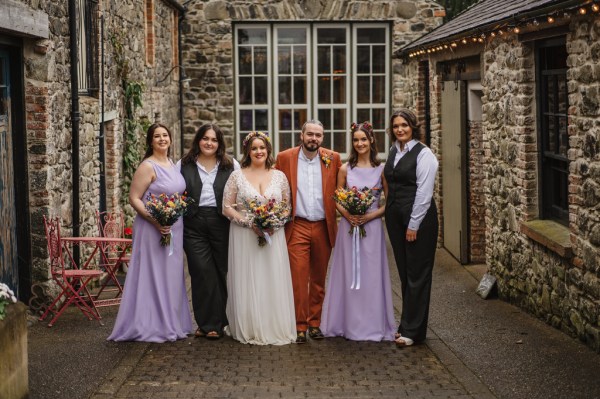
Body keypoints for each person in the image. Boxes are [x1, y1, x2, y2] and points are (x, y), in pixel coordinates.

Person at [108, 123, 192, 343]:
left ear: (170, 139)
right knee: (152, 274)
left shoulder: (172, 164)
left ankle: (170, 322)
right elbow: (134, 198)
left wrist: (170, 218)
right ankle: (150, 323)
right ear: (150, 141)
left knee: (171, 276)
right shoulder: (148, 166)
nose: (162, 139)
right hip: (151, 227)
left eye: (165, 135)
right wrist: (155, 220)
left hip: (174, 226)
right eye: (157, 136)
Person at [321, 122, 395, 341]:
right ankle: (346, 324)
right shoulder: (345, 169)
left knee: (371, 276)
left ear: (371, 140)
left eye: (363, 139)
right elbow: (337, 198)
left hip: (371, 229)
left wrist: (368, 216)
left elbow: (388, 203)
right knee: (348, 273)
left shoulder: (382, 170)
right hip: (349, 228)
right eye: (356, 140)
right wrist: (349, 216)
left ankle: (372, 325)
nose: (360, 143)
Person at [222, 131, 296, 345]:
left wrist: (274, 224)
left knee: (271, 278)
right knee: (248, 279)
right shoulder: (237, 176)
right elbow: (226, 207)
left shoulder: (280, 176)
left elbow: (286, 207)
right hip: (245, 236)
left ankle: (274, 324)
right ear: (247, 151)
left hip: (273, 236)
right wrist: (249, 223)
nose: (258, 151)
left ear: (268, 150)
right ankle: (250, 325)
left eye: (262, 148)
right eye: (254, 148)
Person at [276, 120, 342, 343]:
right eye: (310, 134)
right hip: (298, 225)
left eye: (319, 135)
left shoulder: (333, 158)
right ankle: (299, 324)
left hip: (324, 225)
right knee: (298, 277)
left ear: (322, 138)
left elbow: (339, 191)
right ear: (301, 135)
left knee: (318, 278)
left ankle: (315, 323)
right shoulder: (285, 158)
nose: (314, 139)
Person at [384, 109, 439, 347]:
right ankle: (406, 324)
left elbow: (424, 194)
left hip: (419, 220)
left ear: (413, 127)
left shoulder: (425, 154)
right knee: (406, 273)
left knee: (418, 275)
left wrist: (413, 224)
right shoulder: (393, 151)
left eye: (404, 125)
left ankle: (413, 331)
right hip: (396, 219)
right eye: (396, 126)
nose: (400, 130)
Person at [179, 124, 239, 340]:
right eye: (205, 138)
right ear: (198, 140)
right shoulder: (183, 164)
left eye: (213, 140)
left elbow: (241, 191)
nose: (209, 143)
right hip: (193, 224)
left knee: (220, 271)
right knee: (201, 271)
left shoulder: (231, 165)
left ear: (219, 143)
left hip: (222, 222)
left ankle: (220, 321)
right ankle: (206, 324)